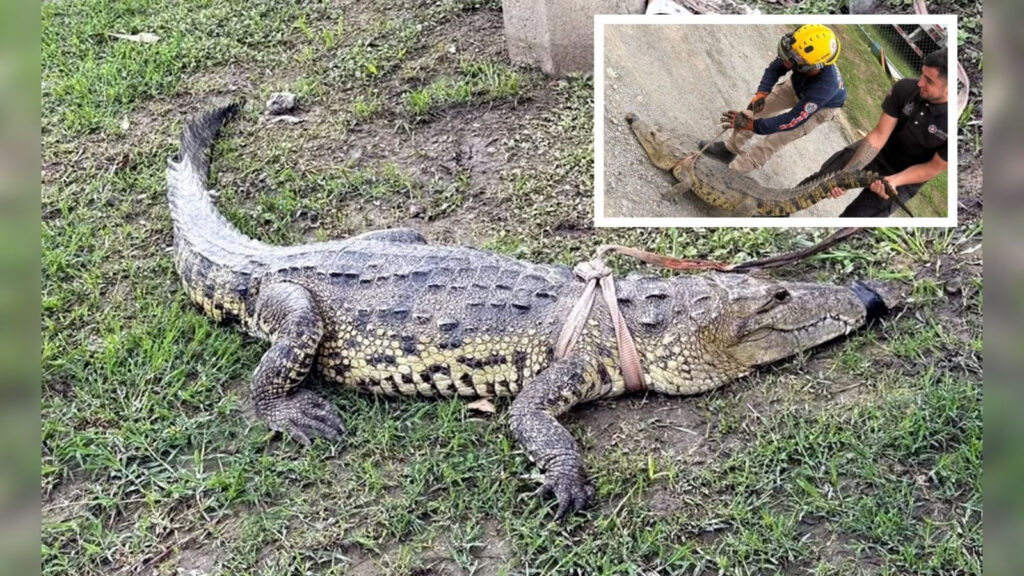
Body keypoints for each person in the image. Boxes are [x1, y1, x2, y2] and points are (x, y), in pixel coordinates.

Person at [818, 48, 950, 217]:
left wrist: (895, 180)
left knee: (855, 222)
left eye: (929, 81)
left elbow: (932, 168)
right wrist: (846, 174)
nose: (920, 83)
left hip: (906, 176)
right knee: (822, 180)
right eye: (922, 75)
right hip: (878, 152)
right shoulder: (906, 88)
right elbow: (879, 135)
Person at [702, 24, 847, 174]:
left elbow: (792, 120)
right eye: (790, 53)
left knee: (777, 138)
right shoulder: (799, 53)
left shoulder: (825, 87)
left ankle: (734, 172)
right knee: (757, 111)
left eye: (792, 60)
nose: (787, 62)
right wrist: (762, 93)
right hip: (797, 85)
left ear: (813, 66)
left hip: (820, 109)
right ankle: (729, 149)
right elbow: (775, 69)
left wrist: (754, 126)